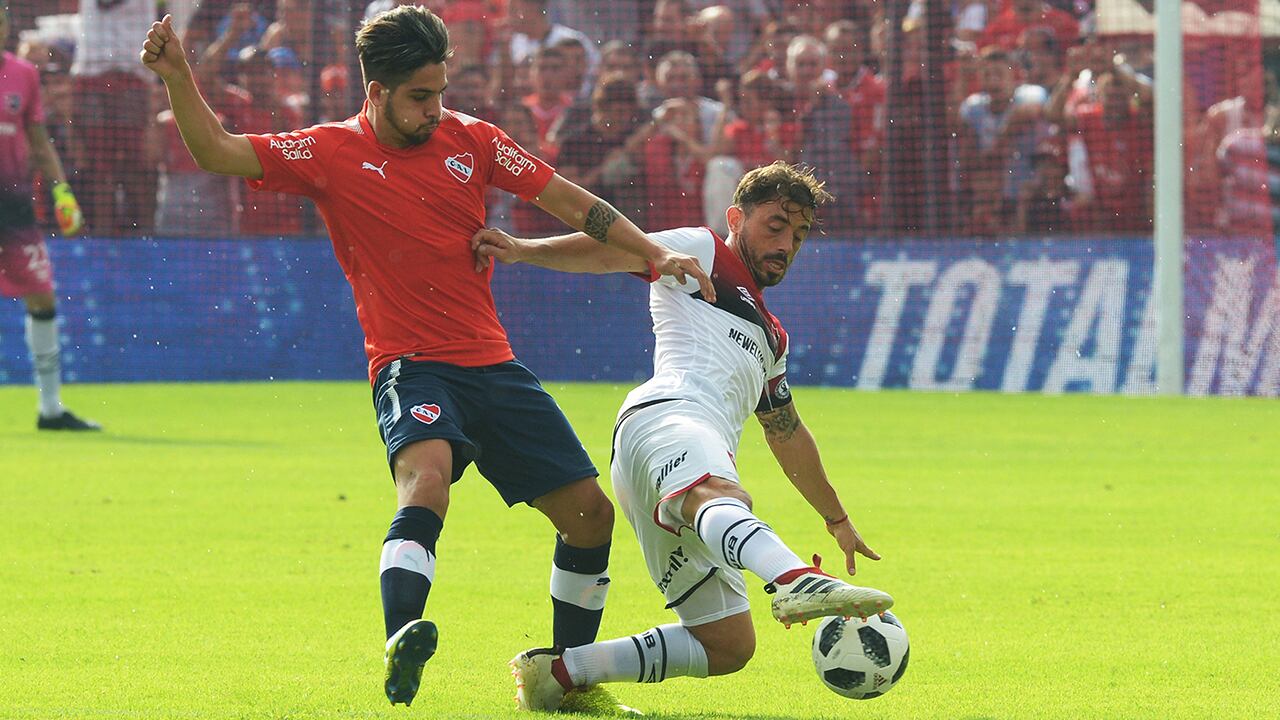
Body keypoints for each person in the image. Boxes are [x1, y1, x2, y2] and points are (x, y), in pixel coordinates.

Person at [139, 5, 715, 708]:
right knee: (428, 481)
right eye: (419, 96)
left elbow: (571, 202)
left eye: (440, 91)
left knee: (591, 515)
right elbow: (218, 151)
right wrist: (178, 77)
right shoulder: (327, 151)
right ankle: (402, 636)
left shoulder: (474, 139)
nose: (434, 109)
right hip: (411, 364)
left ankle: (564, 682)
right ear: (375, 91)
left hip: (493, 365)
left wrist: (654, 253)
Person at [472, 161, 893, 712]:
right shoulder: (703, 250)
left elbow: (786, 432)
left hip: (663, 462)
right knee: (720, 493)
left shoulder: (773, 339)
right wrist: (525, 250)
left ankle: (561, 675)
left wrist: (836, 519)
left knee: (728, 644)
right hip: (669, 416)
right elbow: (613, 250)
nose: (786, 244)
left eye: (798, 234)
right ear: (736, 219)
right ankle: (794, 580)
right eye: (775, 226)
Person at [0, 6, 99, 431]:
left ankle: (51, 408)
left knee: (42, 297)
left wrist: (62, 192)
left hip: (14, 207)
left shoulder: (24, 74)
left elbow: (39, 141)